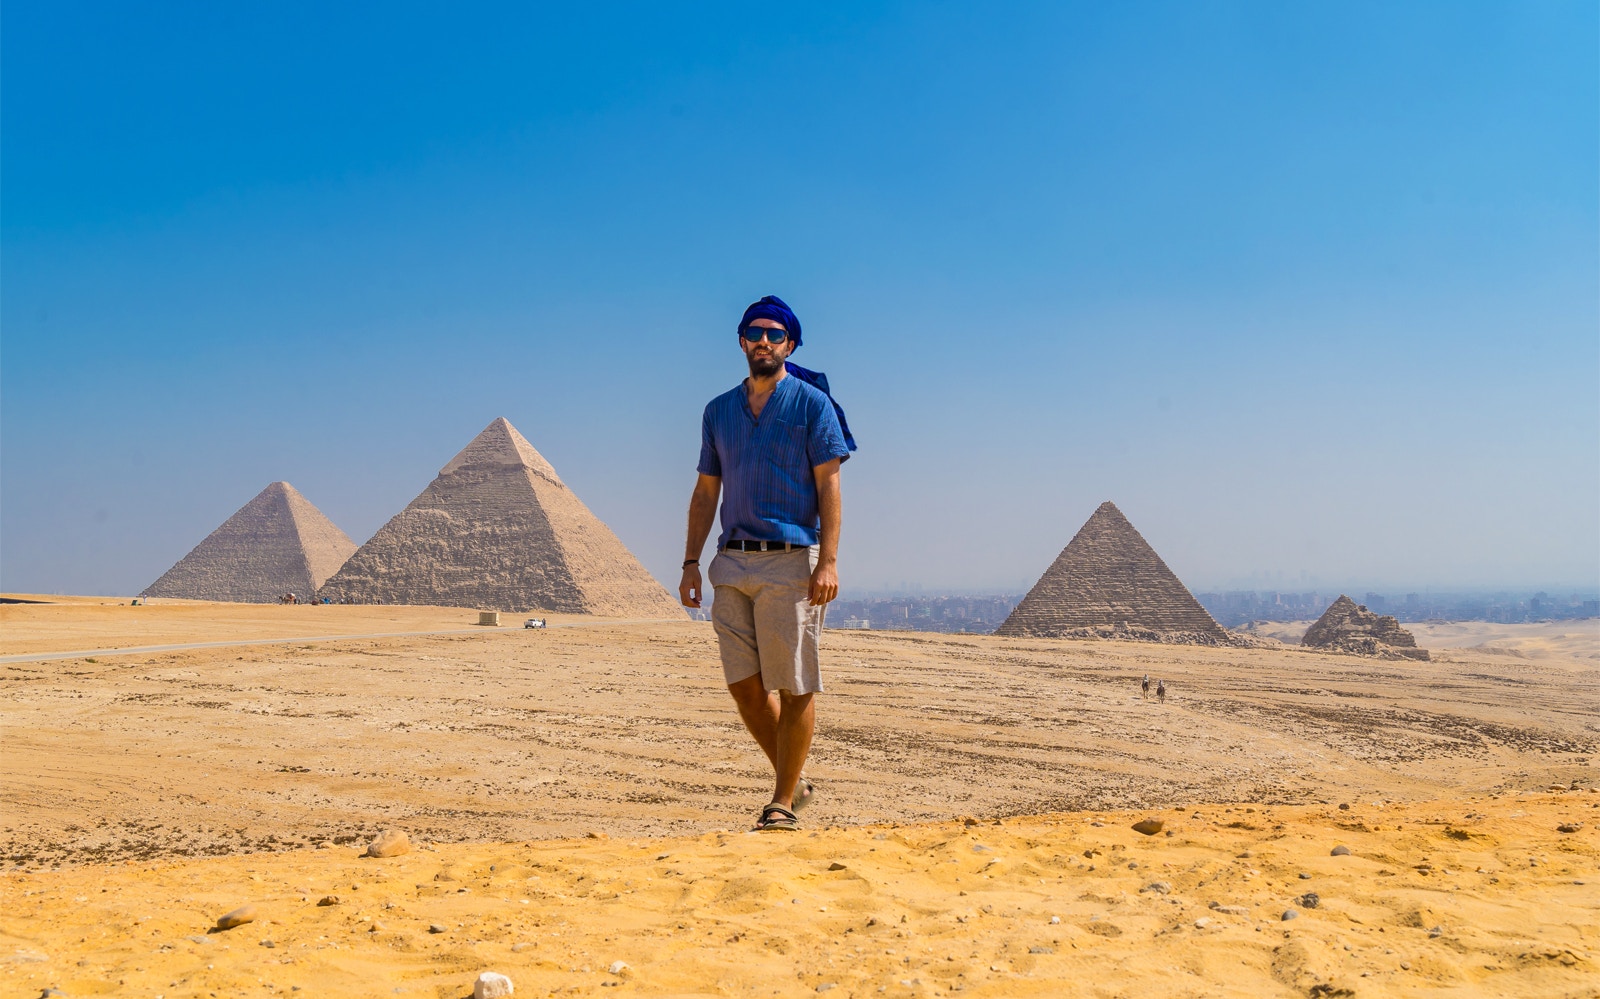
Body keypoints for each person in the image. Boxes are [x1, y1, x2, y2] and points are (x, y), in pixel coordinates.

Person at [680, 295, 854, 832]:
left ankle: (781, 802)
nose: (764, 341)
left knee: (794, 683)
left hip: (789, 559)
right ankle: (794, 779)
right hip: (731, 563)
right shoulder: (718, 411)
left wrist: (828, 560)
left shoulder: (810, 405)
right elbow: (707, 491)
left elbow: (830, 483)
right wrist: (690, 561)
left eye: (775, 335)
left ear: (790, 344)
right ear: (740, 341)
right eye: (755, 332)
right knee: (744, 686)